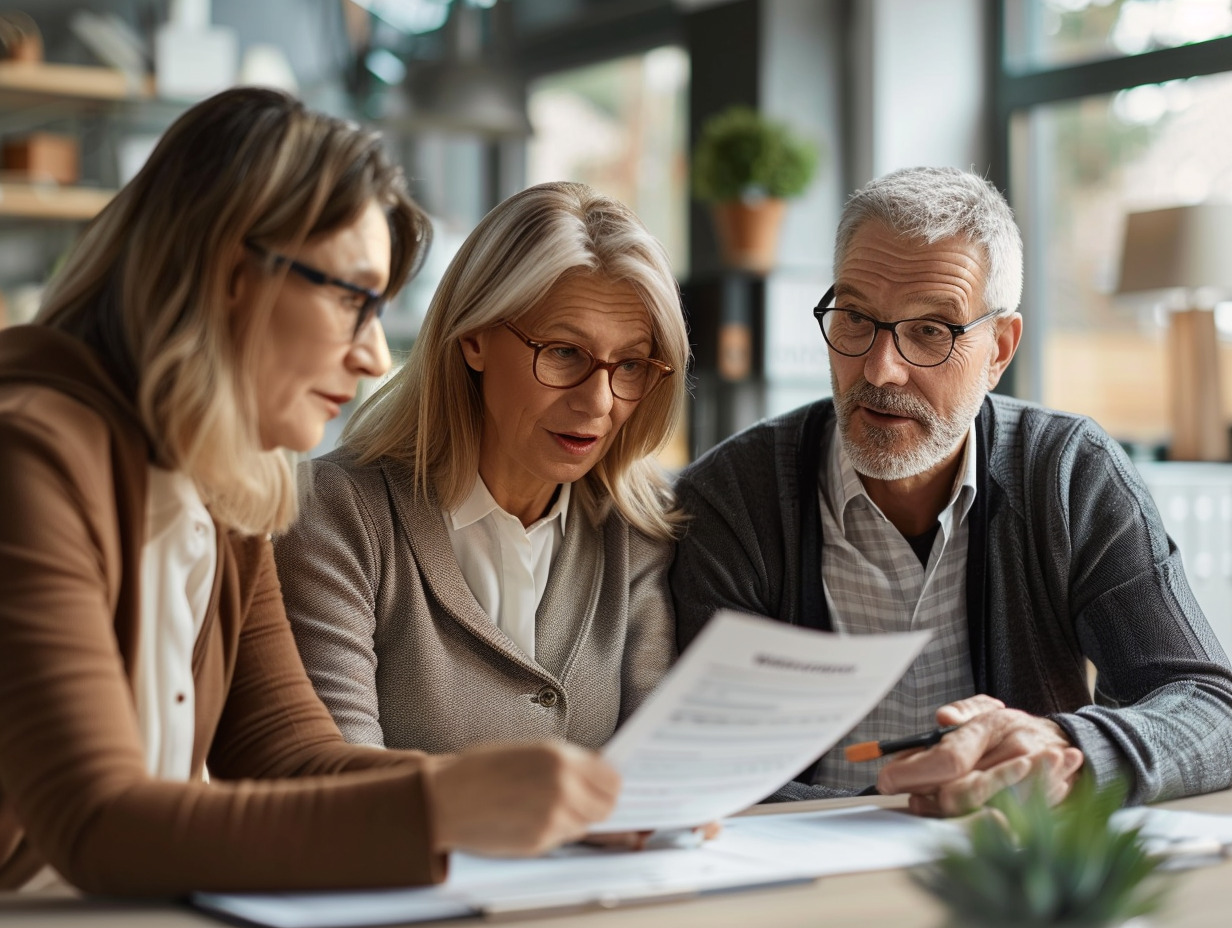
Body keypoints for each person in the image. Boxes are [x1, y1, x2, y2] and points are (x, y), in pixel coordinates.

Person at [0, 88, 621, 896]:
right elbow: (98, 823)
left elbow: (288, 755)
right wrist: (444, 806)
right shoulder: (30, 452)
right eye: (351, 299)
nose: (371, 357)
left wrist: (560, 807)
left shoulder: (224, 479)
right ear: (228, 271)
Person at [670, 166, 1232, 816]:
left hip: (1002, 875)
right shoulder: (732, 498)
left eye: (932, 331)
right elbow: (705, 760)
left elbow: (1209, 705)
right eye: (855, 317)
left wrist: (1061, 748)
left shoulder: (1068, 475)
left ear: (999, 349)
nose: (881, 368)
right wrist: (888, 810)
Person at [273, 181, 687, 759]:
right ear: (473, 338)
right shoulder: (336, 514)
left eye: (633, 364)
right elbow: (336, 786)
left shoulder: (637, 527)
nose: (598, 403)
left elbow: (663, 771)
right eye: (564, 353)